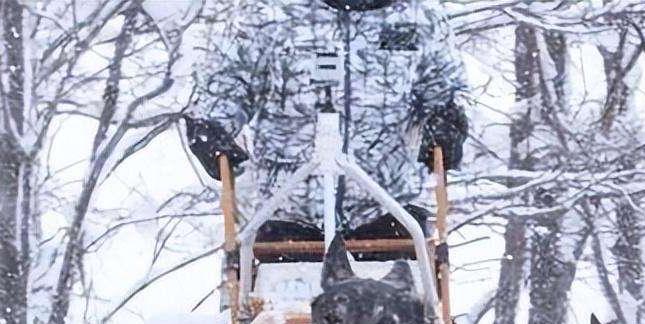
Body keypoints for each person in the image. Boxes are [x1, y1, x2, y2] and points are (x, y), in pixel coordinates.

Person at [185, 0, 468, 241]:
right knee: (275, 304)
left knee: (405, 300)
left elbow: (447, 91)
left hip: (389, 211)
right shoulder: (269, 13)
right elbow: (226, 83)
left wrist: (448, 123)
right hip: (288, 212)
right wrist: (211, 127)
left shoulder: (419, 17)